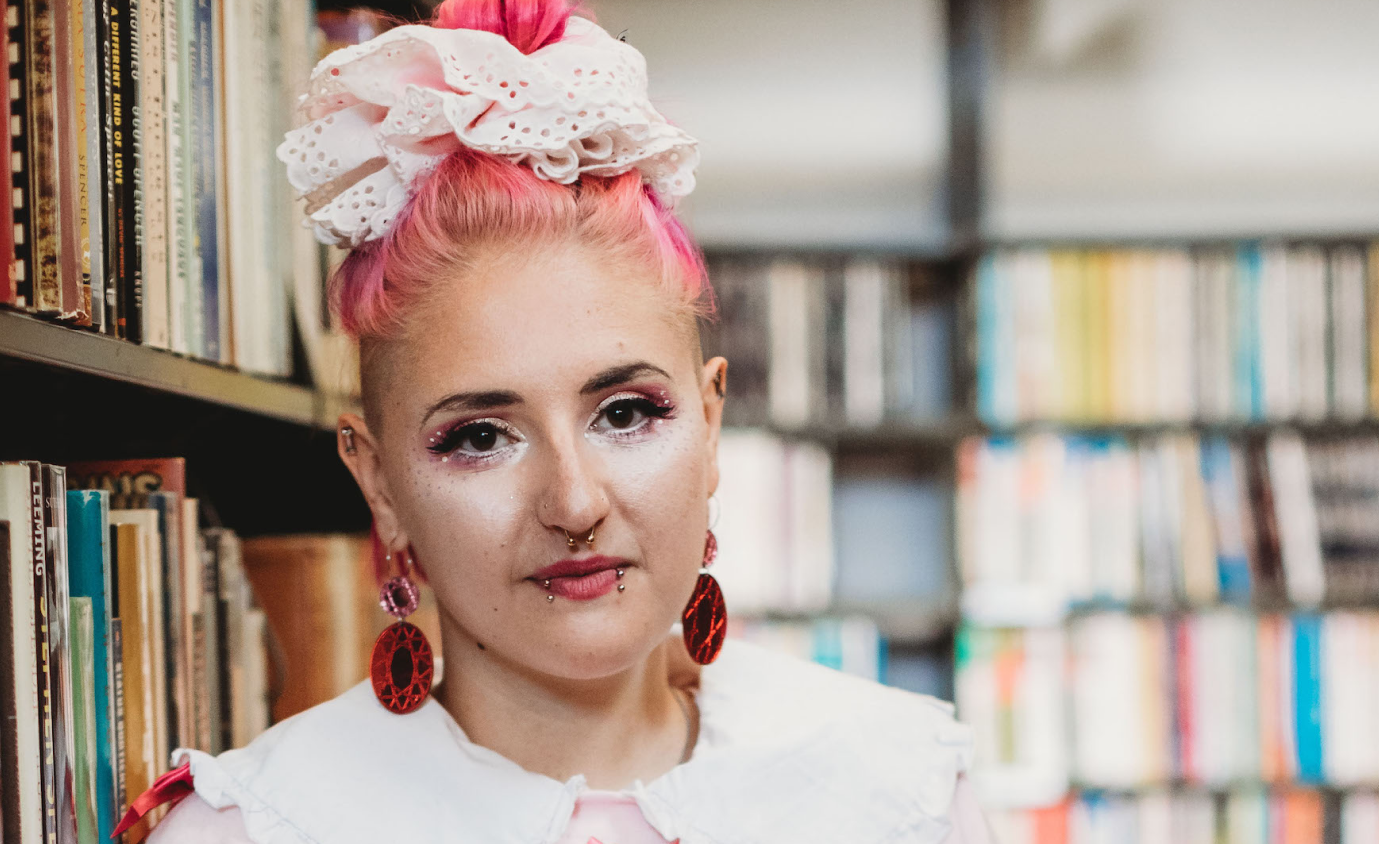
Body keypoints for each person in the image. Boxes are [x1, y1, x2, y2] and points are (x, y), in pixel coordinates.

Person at [125, 1, 993, 841]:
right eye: (479, 437)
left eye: (625, 413)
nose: (574, 504)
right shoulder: (258, 826)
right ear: (379, 483)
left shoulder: (901, 796)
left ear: (711, 425)